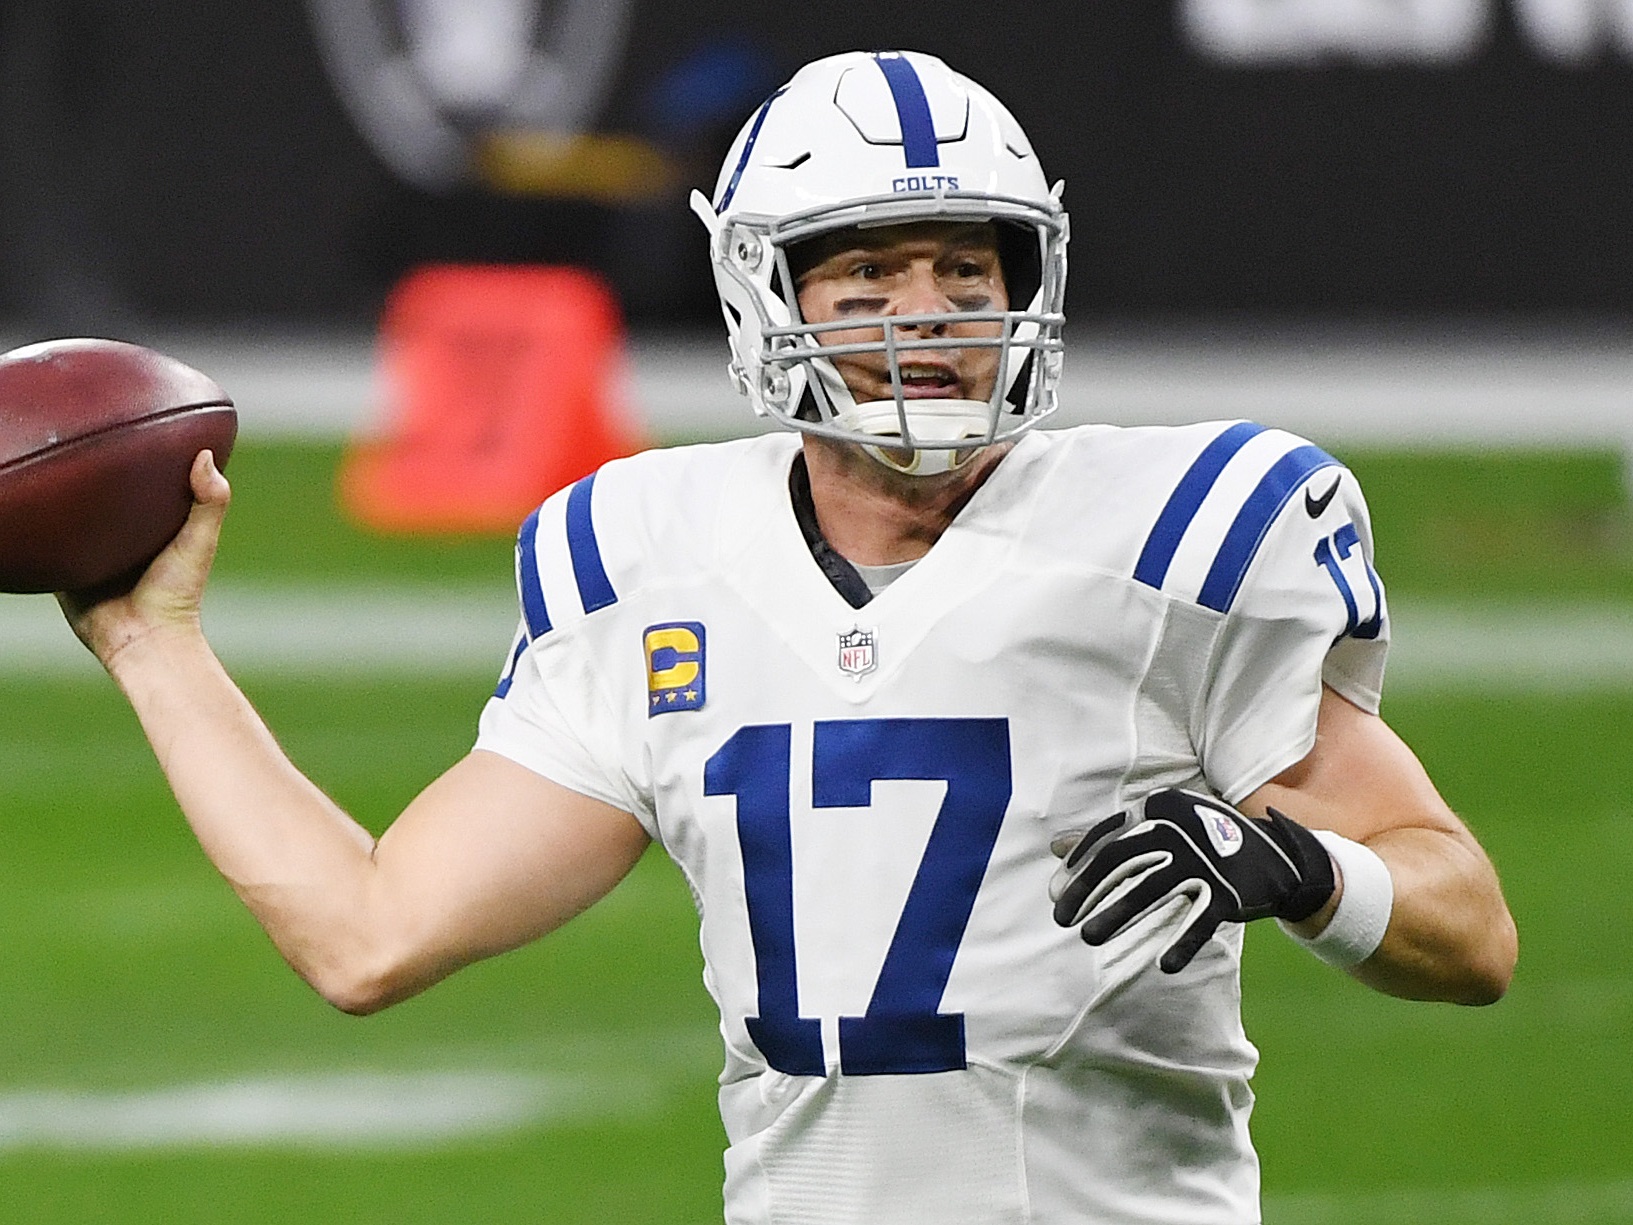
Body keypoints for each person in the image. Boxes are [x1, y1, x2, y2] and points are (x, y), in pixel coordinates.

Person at [63, 50, 1516, 1225]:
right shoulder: (645, 556)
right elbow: (368, 930)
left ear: (1030, 286)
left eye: (965, 270)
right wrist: (154, 643)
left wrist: (1311, 868)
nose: (925, 317)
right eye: (864, 278)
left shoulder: (1181, 533)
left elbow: (1471, 929)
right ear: (768, 297)